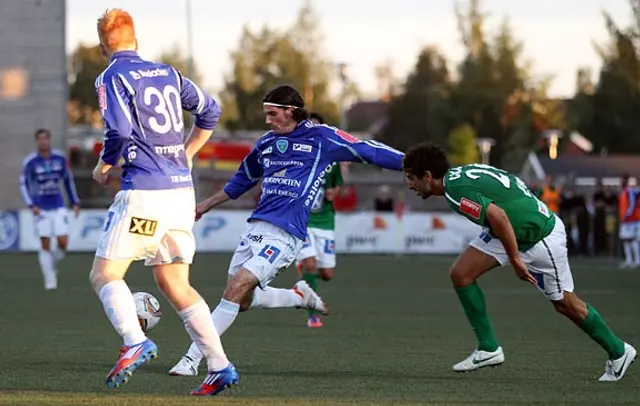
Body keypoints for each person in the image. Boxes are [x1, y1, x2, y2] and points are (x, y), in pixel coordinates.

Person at [168, 85, 404, 390]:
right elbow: (240, 182)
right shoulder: (266, 144)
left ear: (290, 111)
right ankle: (297, 296)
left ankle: (193, 359)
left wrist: (411, 163)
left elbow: (368, 150)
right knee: (242, 301)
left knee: (235, 288)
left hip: (287, 234)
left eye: (272, 113)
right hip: (256, 230)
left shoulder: (321, 138)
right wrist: (202, 207)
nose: (267, 120)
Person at [89, 9, 235, 396]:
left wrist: (105, 164)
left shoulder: (110, 77)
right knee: (174, 282)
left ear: (103, 46)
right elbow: (210, 110)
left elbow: (118, 130)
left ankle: (134, 340)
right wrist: (187, 152)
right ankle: (219, 366)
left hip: (145, 193)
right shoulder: (168, 73)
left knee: (105, 274)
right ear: (136, 40)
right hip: (180, 192)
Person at [402, 142, 636, 382]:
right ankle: (488, 348)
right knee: (461, 273)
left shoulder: (455, 191)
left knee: (566, 304)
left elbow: (498, 216)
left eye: (411, 178)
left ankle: (619, 351)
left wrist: (515, 260)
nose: (409, 185)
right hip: (511, 231)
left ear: (428, 176)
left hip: (539, 238)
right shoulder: (458, 176)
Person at [296, 112, 343, 328]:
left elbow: (337, 184)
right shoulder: (296, 156)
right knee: (311, 265)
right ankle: (312, 314)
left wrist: (334, 192)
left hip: (325, 220)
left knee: (327, 273)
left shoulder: (331, 158)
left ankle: (304, 276)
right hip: (302, 219)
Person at [20, 128, 80, 290]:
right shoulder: (31, 162)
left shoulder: (59, 158)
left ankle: (49, 264)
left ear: (49, 140)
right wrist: (31, 205)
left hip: (58, 204)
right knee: (45, 242)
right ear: (37, 141)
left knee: (63, 242)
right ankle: (50, 279)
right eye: (40, 139)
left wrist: (74, 202)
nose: (43, 142)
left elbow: (68, 180)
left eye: (45, 139)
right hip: (41, 208)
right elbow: (24, 184)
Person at [617, 174, 640, 268]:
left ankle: (636, 260)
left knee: (632, 239)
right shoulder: (625, 191)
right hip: (626, 219)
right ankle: (629, 259)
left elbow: (632, 204)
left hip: (630, 220)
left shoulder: (629, 191)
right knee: (626, 240)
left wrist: (627, 215)